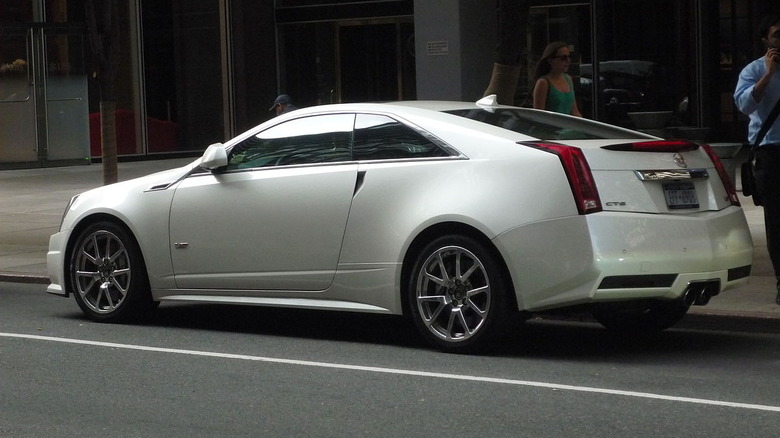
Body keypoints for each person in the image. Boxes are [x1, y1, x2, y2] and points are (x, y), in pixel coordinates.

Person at [734, 14, 780, 305]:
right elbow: (744, 105)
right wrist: (768, 75)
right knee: (776, 219)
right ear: (767, 40)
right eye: (778, 35)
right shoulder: (752, 70)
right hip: (771, 152)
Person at [531, 41, 582, 117]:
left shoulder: (568, 79)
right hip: (551, 127)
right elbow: (539, 116)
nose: (568, 61)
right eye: (563, 58)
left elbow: (574, 111)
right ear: (551, 61)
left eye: (569, 57)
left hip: (569, 127)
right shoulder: (543, 83)